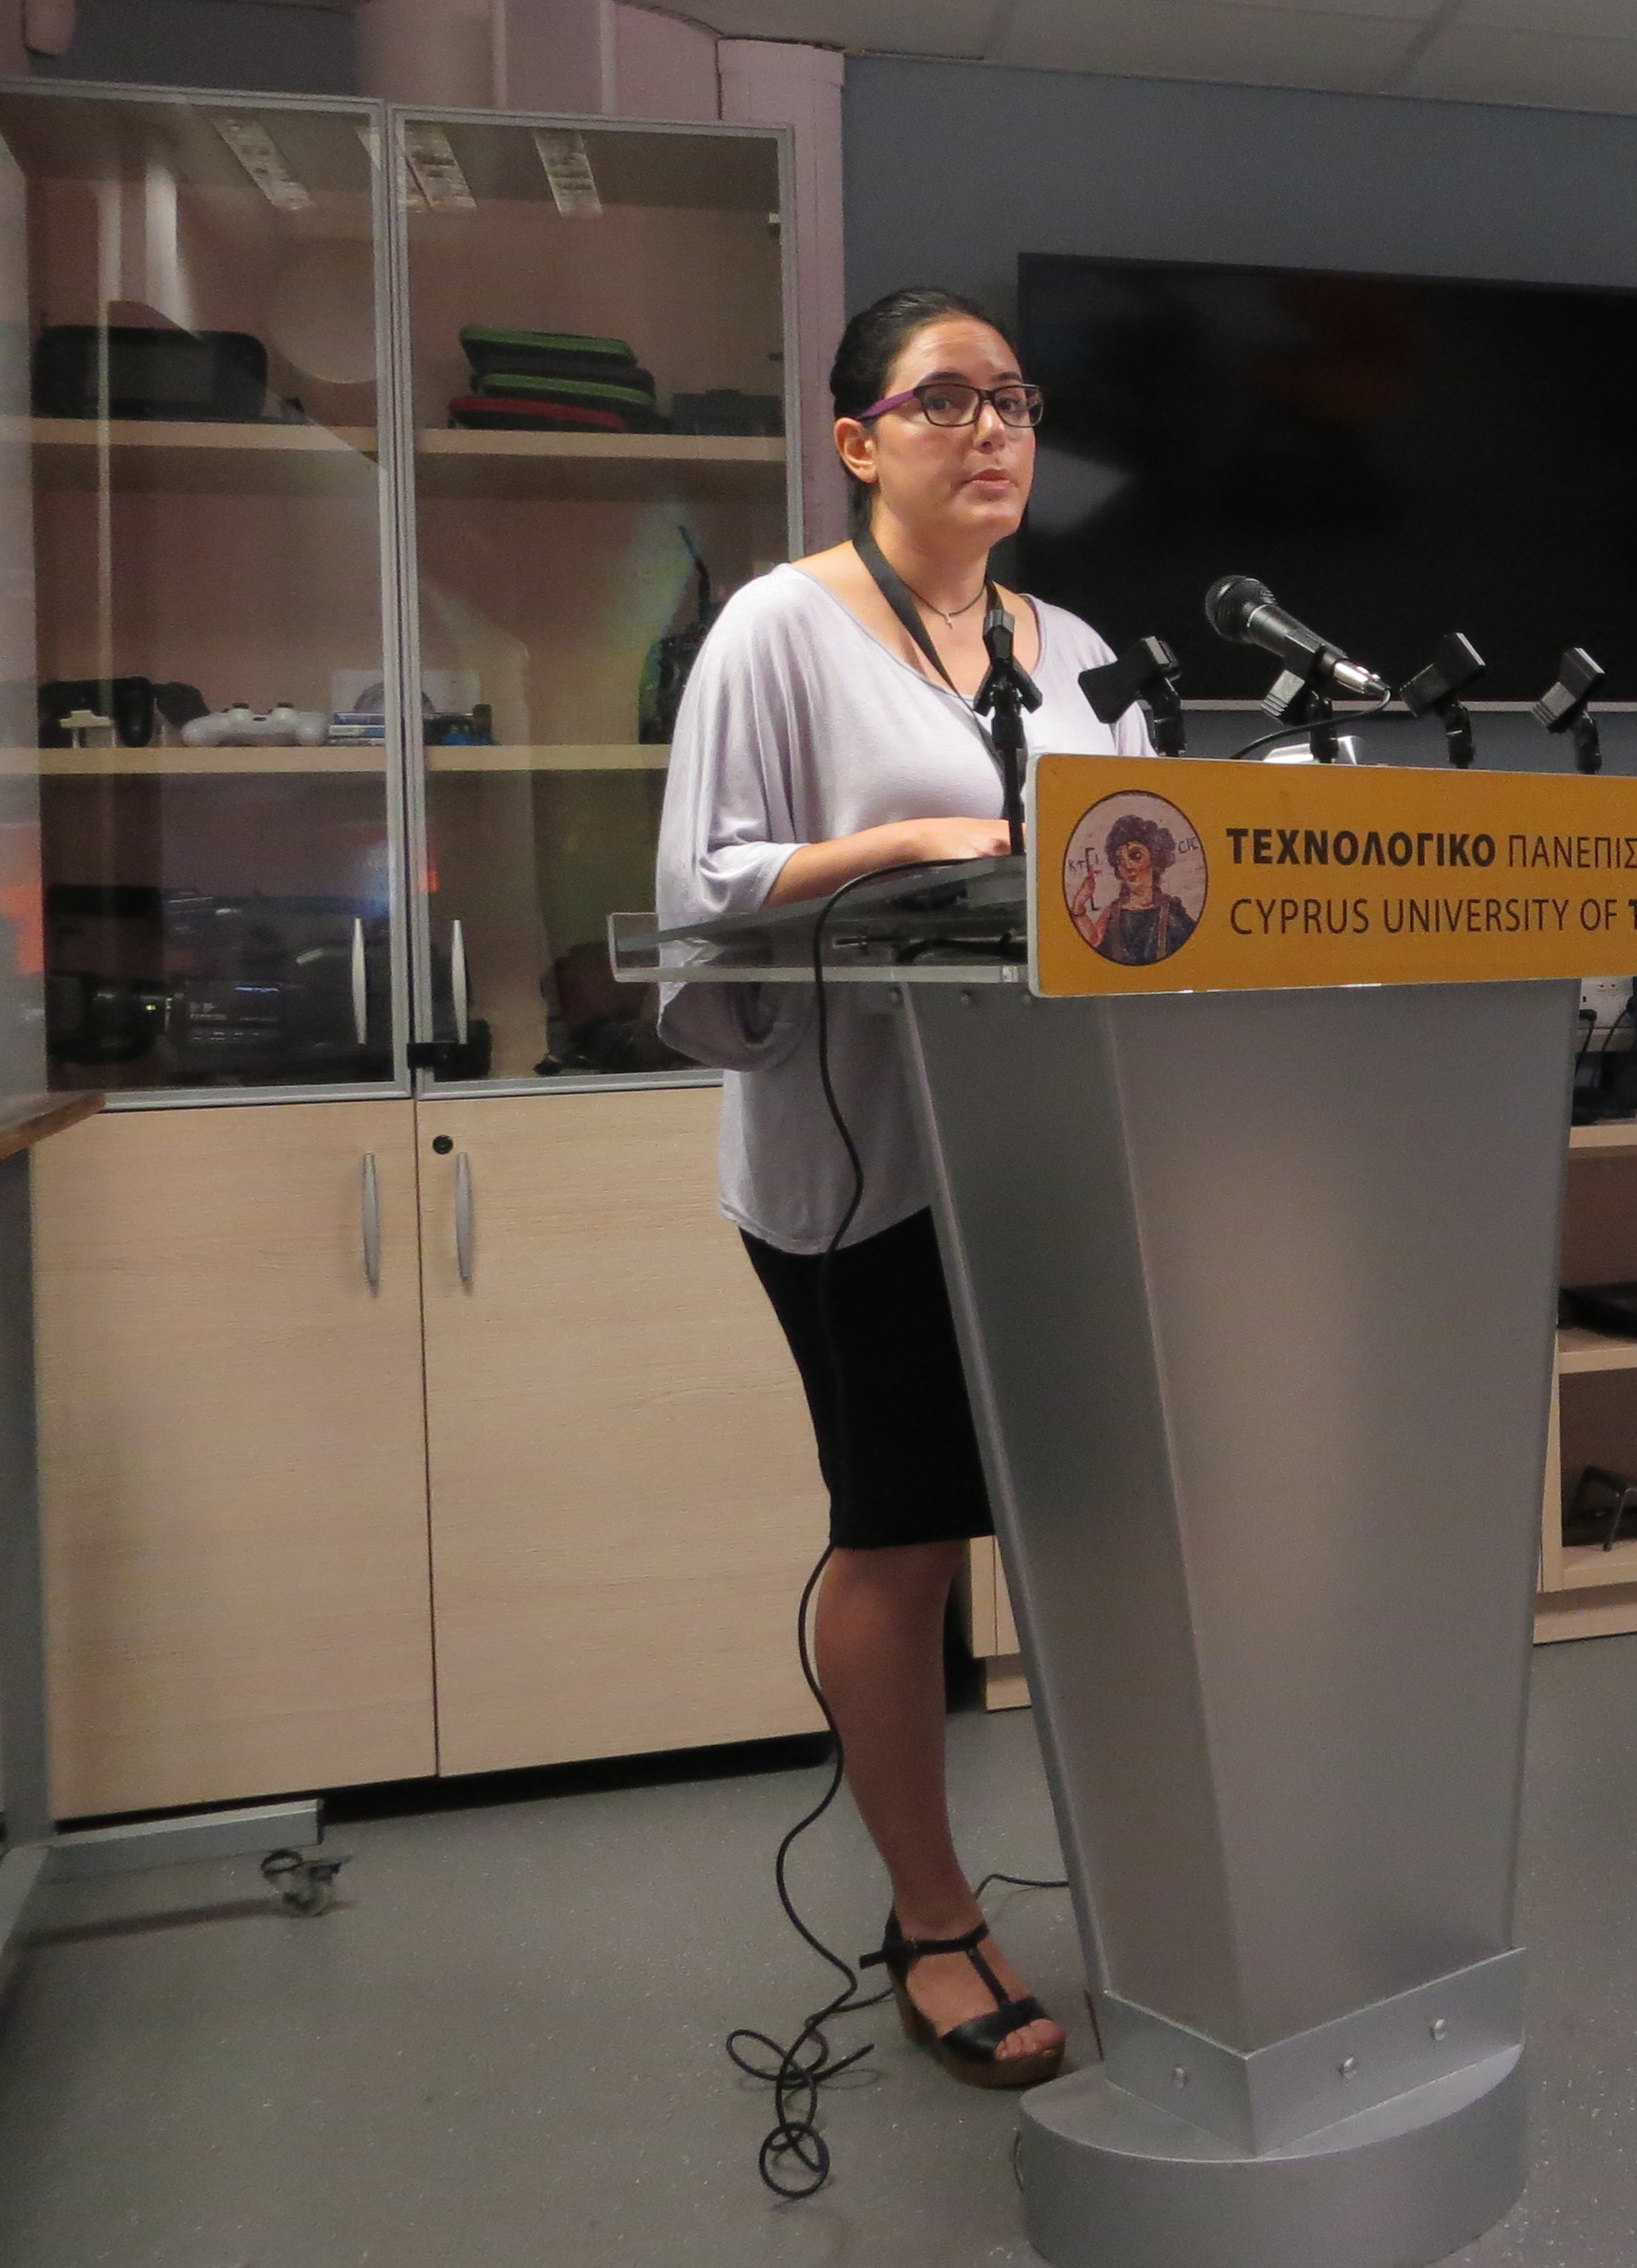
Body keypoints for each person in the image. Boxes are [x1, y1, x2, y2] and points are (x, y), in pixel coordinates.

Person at [655, 286, 1152, 2089]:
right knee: (904, 1529)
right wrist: (899, 844)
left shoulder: (1072, 647)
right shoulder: (778, 629)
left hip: (1052, 1157)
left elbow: (1141, 879)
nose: (992, 429)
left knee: (1094, 1524)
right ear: (858, 439)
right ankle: (932, 1921)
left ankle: (1154, 1882)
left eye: (1013, 399)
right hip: (860, 1162)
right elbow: (706, 881)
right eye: (946, 399)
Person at [1086, 812, 1199, 965]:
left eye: (1136, 856)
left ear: (1154, 858)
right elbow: (1091, 946)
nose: (1128, 866)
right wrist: (1079, 906)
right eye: (1120, 860)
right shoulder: (1111, 915)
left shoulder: (1173, 914)